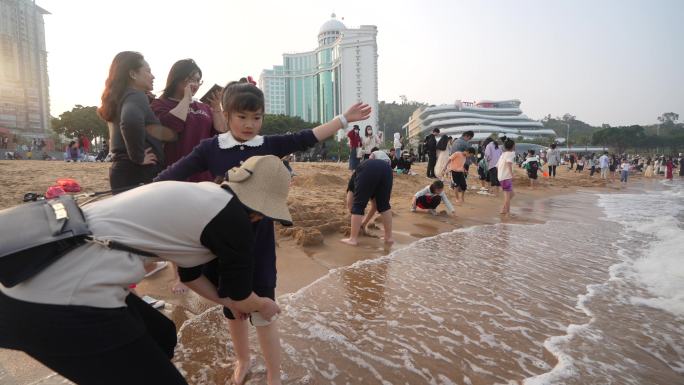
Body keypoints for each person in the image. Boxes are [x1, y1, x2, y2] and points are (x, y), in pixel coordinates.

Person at [0, 156, 289, 385]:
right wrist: (263, 304)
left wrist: (228, 302)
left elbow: (191, 276)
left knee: (160, 333)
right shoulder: (236, 222)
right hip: (57, 302)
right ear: (260, 213)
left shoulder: (205, 196)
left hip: (35, 268)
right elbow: (241, 295)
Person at [155, 79, 371, 385]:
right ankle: (243, 359)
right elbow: (172, 174)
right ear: (226, 115)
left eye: (256, 117)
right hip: (223, 244)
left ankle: (273, 373)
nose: (249, 124)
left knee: (263, 310)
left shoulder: (268, 145)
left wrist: (345, 118)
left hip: (259, 243)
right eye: (242, 117)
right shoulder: (211, 148)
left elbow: (306, 137)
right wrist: (143, 191)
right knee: (233, 306)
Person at [151, 59, 229, 294]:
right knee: (178, 226)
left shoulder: (204, 108)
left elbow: (223, 133)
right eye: (190, 79)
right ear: (177, 79)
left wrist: (216, 108)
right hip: (176, 174)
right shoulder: (160, 104)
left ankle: (204, 271)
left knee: (204, 223)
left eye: (198, 80)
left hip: (204, 176)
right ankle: (179, 277)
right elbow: (171, 127)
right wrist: (185, 99)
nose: (194, 84)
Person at [97, 51, 170, 191]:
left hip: (121, 171)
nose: (153, 76)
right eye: (148, 71)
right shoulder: (136, 95)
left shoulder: (118, 98)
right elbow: (130, 121)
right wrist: (138, 157)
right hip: (139, 171)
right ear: (133, 74)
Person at [341, 157, 393, 246]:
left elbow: (350, 204)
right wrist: (363, 224)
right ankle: (388, 237)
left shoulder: (354, 180)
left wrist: (354, 219)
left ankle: (352, 239)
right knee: (384, 206)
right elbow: (375, 207)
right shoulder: (372, 185)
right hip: (387, 168)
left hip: (368, 168)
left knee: (358, 205)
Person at [496, 139, 516, 216]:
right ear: (513, 146)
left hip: (501, 177)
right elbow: (508, 163)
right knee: (507, 196)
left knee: (512, 194)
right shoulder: (510, 154)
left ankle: (503, 209)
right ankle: (507, 213)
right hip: (506, 177)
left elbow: (497, 166)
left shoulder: (503, 154)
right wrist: (511, 175)